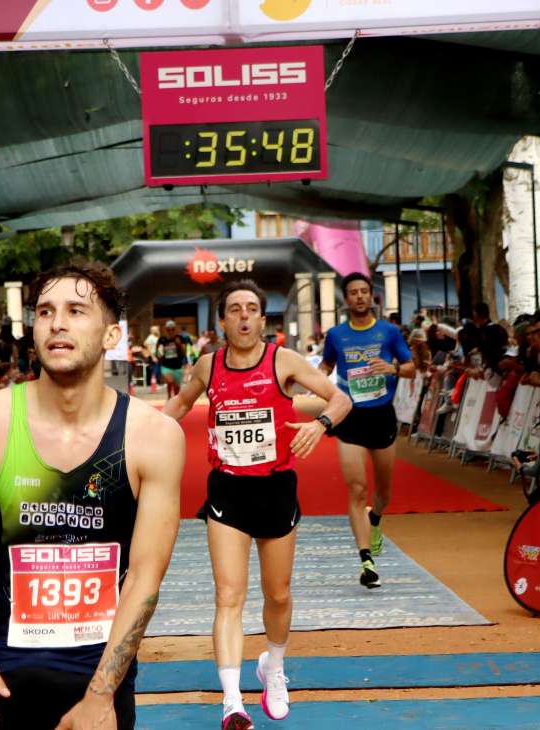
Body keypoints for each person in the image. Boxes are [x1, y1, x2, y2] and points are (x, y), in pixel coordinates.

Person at [0, 261, 183, 730]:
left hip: (99, 673)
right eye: (45, 311)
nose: (57, 322)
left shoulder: (154, 436)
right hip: (2, 674)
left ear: (111, 335)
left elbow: (145, 577)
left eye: (75, 310)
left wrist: (101, 694)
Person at [164, 279, 351, 730]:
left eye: (252, 308)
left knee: (278, 593)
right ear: (223, 320)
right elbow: (180, 404)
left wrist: (320, 424)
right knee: (228, 595)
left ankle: (274, 667)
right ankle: (232, 702)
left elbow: (340, 398)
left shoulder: (282, 360)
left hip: (275, 488)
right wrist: (127, 430)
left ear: (262, 320)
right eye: (235, 309)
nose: (244, 316)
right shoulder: (208, 366)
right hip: (226, 490)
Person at [320, 273, 415, 589]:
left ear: (371, 297)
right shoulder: (335, 335)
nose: (359, 297)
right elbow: (326, 367)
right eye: (353, 293)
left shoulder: (389, 332)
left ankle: (376, 518)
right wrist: (306, 380)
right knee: (358, 489)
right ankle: (366, 561)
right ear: (346, 299)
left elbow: (412, 367)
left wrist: (393, 369)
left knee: (383, 493)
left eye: (363, 292)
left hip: (382, 416)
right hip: (350, 418)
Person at [157, 320, 192, 398]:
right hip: (166, 365)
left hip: (178, 366)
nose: (170, 331)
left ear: (175, 329)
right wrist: (159, 354)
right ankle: (169, 396)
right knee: (170, 381)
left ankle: (175, 399)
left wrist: (179, 344)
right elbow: (158, 352)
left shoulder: (180, 338)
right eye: (168, 329)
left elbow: (184, 352)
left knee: (177, 388)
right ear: (166, 330)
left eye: (172, 329)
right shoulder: (162, 339)